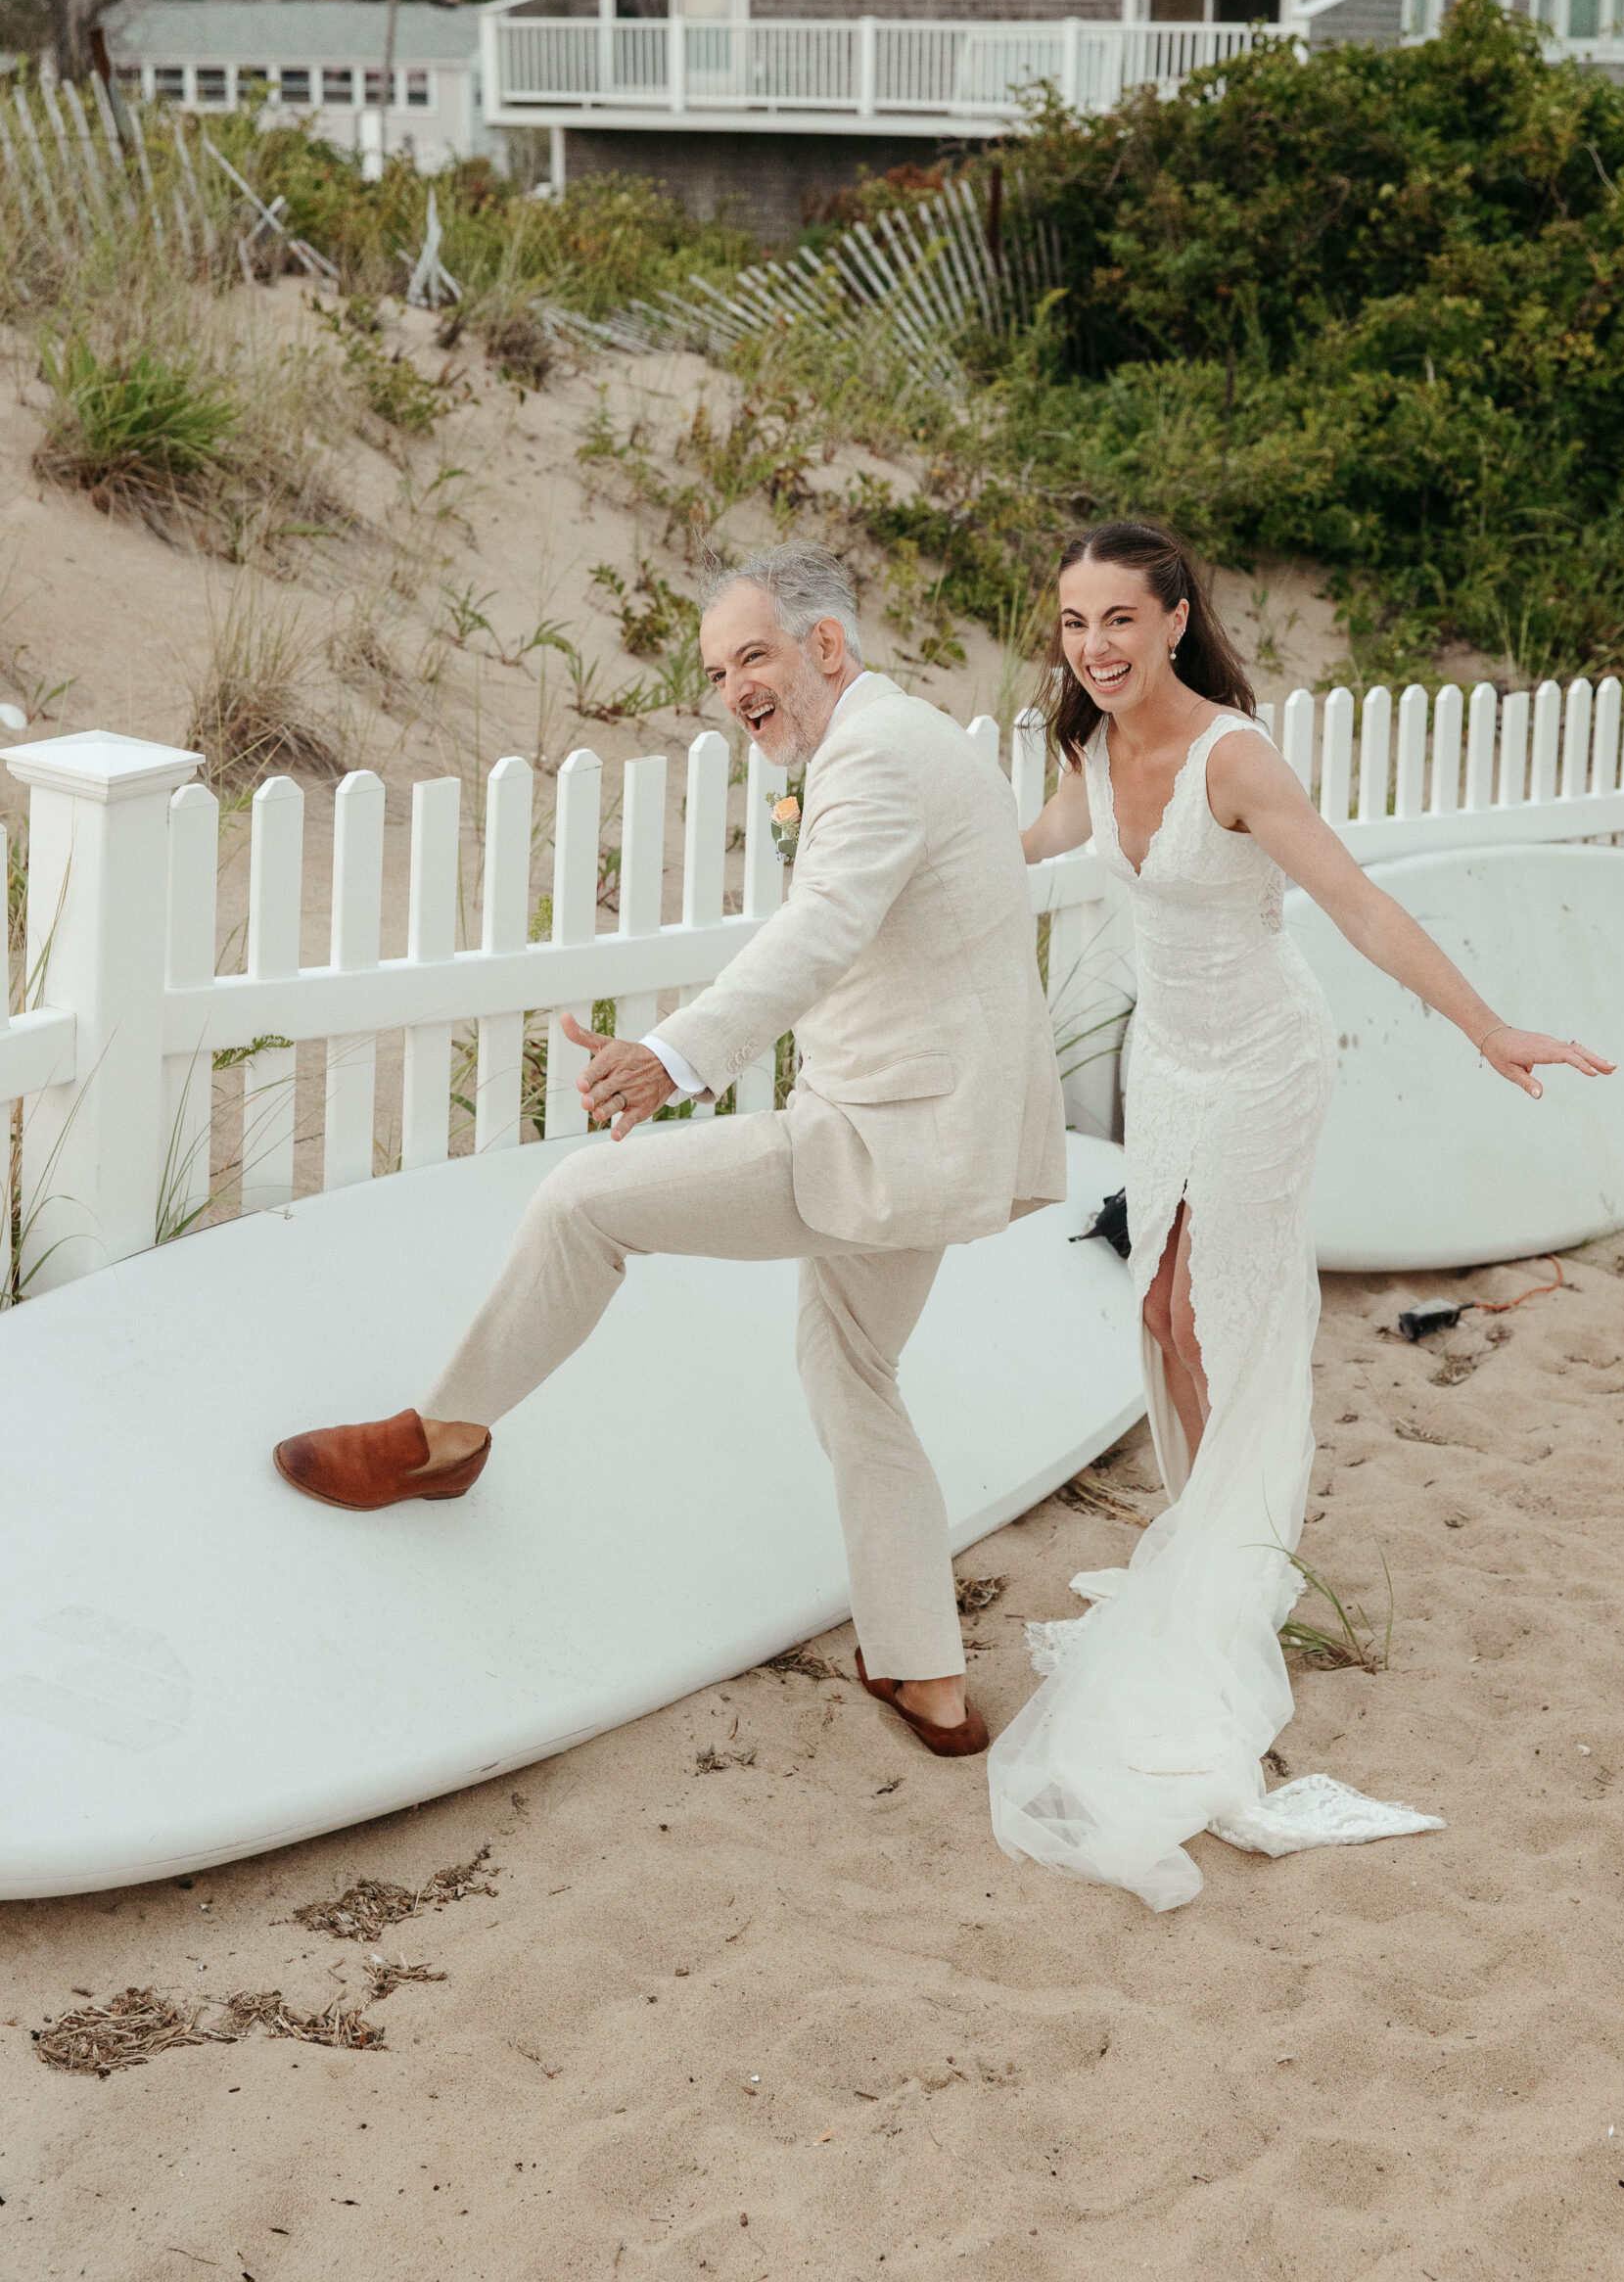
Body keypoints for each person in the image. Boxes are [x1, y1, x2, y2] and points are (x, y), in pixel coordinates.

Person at [271, 542, 1065, 1760]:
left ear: (828, 647)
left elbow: (819, 931)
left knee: (587, 1198)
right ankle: (927, 1676)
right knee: (854, 1375)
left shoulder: (879, 756)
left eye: (755, 655)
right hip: (940, 1129)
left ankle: (444, 1436)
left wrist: (672, 1058)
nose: (736, 685)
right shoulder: (892, 739)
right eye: (717, 668)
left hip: (883, 1136)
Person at [987, 522, 1612, 1909]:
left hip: (1265, 1060)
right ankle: (1217, 1549)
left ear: (1172, 619)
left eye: (1117, 622)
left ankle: (1224, 1578)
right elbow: (1015, 850)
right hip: (1166, 1061)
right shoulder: (1085, 750)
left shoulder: (1233, 757)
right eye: (1071, 623)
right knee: (1156, 1304)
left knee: (1225, 1308)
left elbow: (1359, 908)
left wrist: (1486, 1027)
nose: (1091, 647)